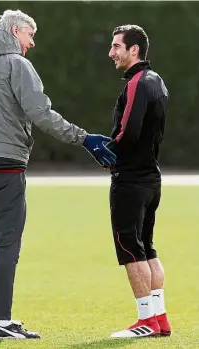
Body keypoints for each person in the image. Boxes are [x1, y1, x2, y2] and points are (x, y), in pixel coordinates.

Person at [0, 9, 116, 339]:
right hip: (6, 166)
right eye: (29, 35)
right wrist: (83, 138)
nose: (32, 43)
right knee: (6, 246)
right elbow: (41, 112)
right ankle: (3, 323)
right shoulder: (17, 65)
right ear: (14, 31)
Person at [106, 24, 171, 338]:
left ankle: (145, 320)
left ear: (134, 50)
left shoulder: (137, 82)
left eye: (117, 46)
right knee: (147, 249)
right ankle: (159, 318)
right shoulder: (158, 81)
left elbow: (128, 132)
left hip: (130, 181)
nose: (111, 53)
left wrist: (108, 154)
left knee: (131, 250)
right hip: (151, 179)